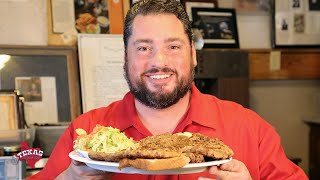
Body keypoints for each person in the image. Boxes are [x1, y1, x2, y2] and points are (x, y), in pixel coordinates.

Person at [27, 0, 308, 179]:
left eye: (173, 47)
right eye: (143, 48)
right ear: (126, 58)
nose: (158, 61)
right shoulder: (88, 132)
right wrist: (69, 179)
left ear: (193, 55)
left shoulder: (250, 129)